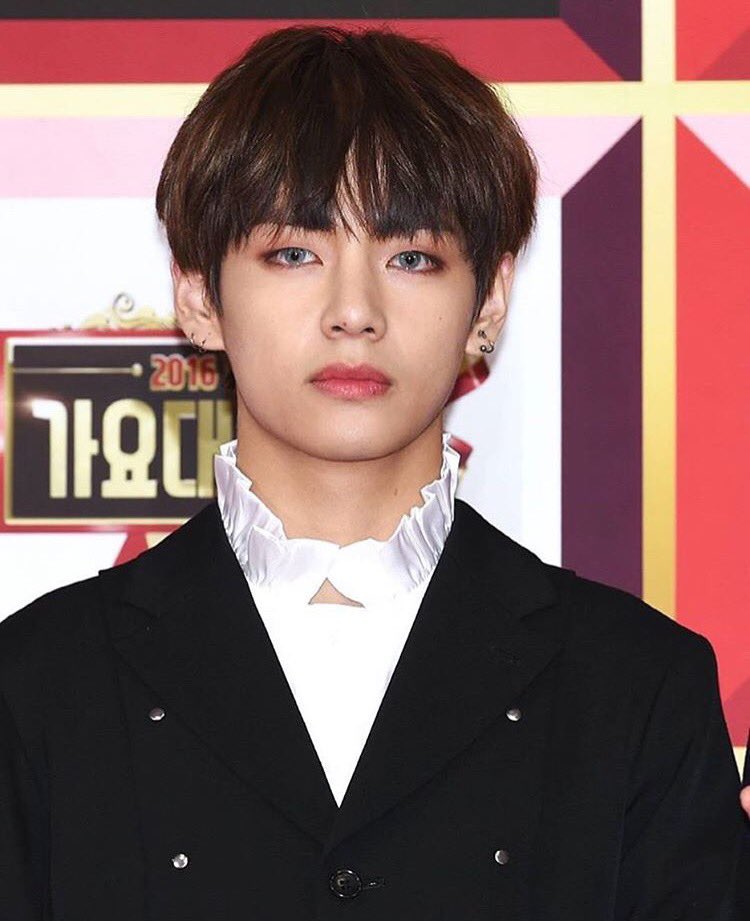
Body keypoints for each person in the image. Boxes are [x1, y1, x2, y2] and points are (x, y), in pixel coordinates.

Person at [0, 24, 744, 921]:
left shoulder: (639, 685)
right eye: (295, 253)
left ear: (490, 300)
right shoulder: (38, 685)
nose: (354, 311)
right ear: (198, 295)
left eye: (411, 258)